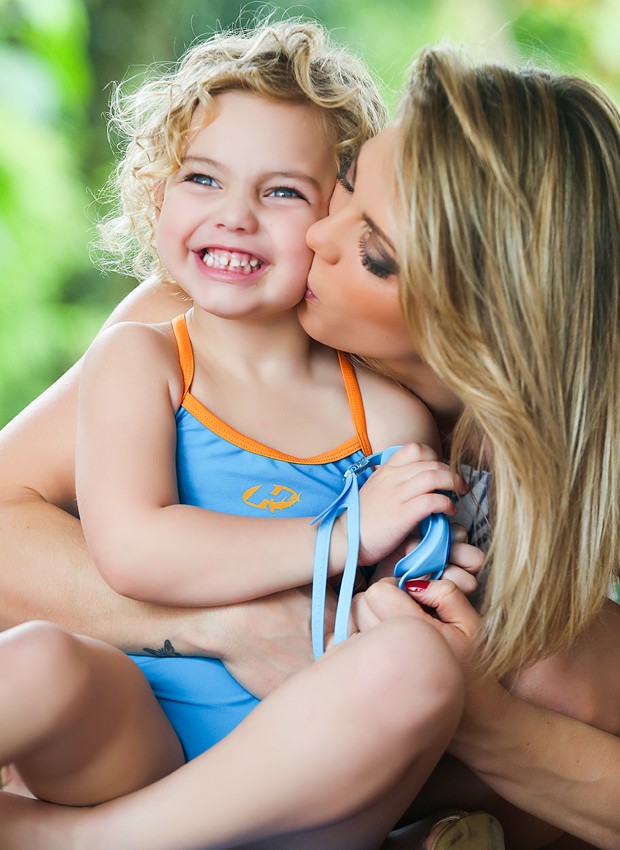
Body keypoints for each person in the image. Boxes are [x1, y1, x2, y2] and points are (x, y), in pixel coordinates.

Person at [1, 38, 619, 850]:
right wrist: (226, 619)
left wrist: (476, 710)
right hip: (134, 740)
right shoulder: (191, 329)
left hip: (324, 787)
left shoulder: (461, 464)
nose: (323, 237)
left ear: (481, 324)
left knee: (542, 674)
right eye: (347, 191)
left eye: (372, 252)